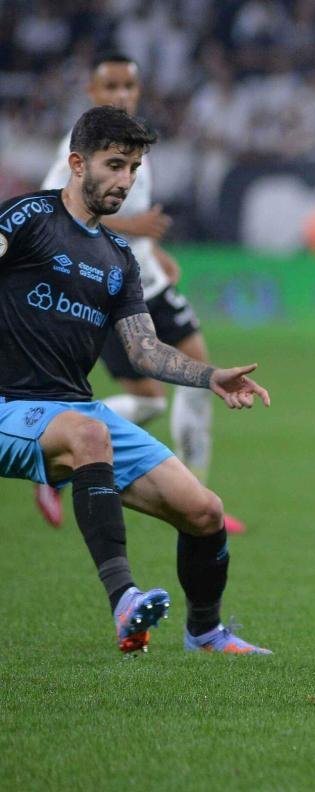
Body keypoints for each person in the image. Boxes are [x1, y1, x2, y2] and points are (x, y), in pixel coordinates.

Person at [0, 105, 269, 656]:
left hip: (72, 409)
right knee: (87, 436)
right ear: (77, 163)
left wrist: (209, 375)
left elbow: (144, 350)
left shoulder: (118, 257)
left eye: (134, 170)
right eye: (115, 165)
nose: (125, 180)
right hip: (10, 404)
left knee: (204, 512)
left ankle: (206, 632)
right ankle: (125, 602)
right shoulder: (26, 218)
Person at [34, 52, 246, 534]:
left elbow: (126, 215)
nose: (122, 95)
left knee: (204, 379)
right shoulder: (78, 149)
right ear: (92, 93)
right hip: (109, 290)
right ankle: (54, 444)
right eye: (110, 87)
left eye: (129, 85)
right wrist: (137, 227)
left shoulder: (134, 142)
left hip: (149, 281)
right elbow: (61, 210)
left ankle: (199, 495)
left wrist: (152, 246)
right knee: (150, 398)